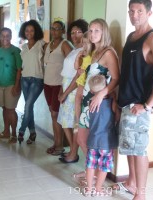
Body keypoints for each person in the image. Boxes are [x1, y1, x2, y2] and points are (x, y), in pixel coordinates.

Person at [115, 0, 153, 199]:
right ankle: (131, 182)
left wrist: (146, 105)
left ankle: (141, 194)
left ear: (149, 13)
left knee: (139, 150)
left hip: (139, 105)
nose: (134, 15)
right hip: (126, 103)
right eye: (131, 11)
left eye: (139, 11)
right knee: (130, 147)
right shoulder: (131, 36)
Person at [76, 18, 119, 184]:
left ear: (104, 33)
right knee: (82, 139)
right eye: (91, 30)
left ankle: (95, 174)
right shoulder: (94, 52)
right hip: (88, 101)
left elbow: (116, 78)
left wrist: (102, 94)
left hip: (98, 104)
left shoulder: (108, 52)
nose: (93, 34)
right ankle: (92, 171)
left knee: (95, 142)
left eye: (97, 31)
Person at [56, 19, 89, 162]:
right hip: (66, 86)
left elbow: (79, 75)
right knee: (65, 122)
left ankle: (73, 153)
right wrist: (61, 90)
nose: (75, 35)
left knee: (73, 123)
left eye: (78, 32)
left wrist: (65, 92)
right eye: (72, 32)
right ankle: (72, 150)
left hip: (73, 89)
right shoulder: (75, 50)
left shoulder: (84, 51)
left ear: (85, 33)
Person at [83, 74, 118, 196]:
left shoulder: (90, 103)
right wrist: (113, 95)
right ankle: (98, 188)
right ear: (105, 87)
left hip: (93, 140)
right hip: (106, 143)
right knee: (103, 167)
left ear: (92, 91)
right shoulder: (112, 102)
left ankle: (88, 188)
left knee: (90, 165)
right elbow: (116, 116)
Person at [44, 21, 72, 155]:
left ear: (63, 30)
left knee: (56, 114)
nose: (54, 31)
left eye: (57, 29)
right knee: (52, 113)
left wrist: (63, 86)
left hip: (58, 84)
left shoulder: (65, 44)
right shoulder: (48, 44)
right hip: (47, 84)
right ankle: (56, 143)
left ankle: (60, 145)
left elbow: (72, 64)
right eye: (52, 29)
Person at [17, 19, 45, 144]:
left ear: (36, 31)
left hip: (37, 79)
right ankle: (33, 133)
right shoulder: (23, 47)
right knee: (29, 106)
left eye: (32, 30)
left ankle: (21, 131)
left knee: (27, 105)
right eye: (27, 30)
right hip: (24, 79)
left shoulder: (42, 44)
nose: (29, 32)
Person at [0, 27, 22, 143]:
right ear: (0, 37)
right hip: (0, 84)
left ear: (11, 37)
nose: (5, 38)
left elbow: (19, 70)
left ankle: (14, 133)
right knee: (4, 109)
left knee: (11, 110)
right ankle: (6, 132)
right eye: (3, 36)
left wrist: (16, 86)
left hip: (11, 84)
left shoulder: (15, 51)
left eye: (7, 35)